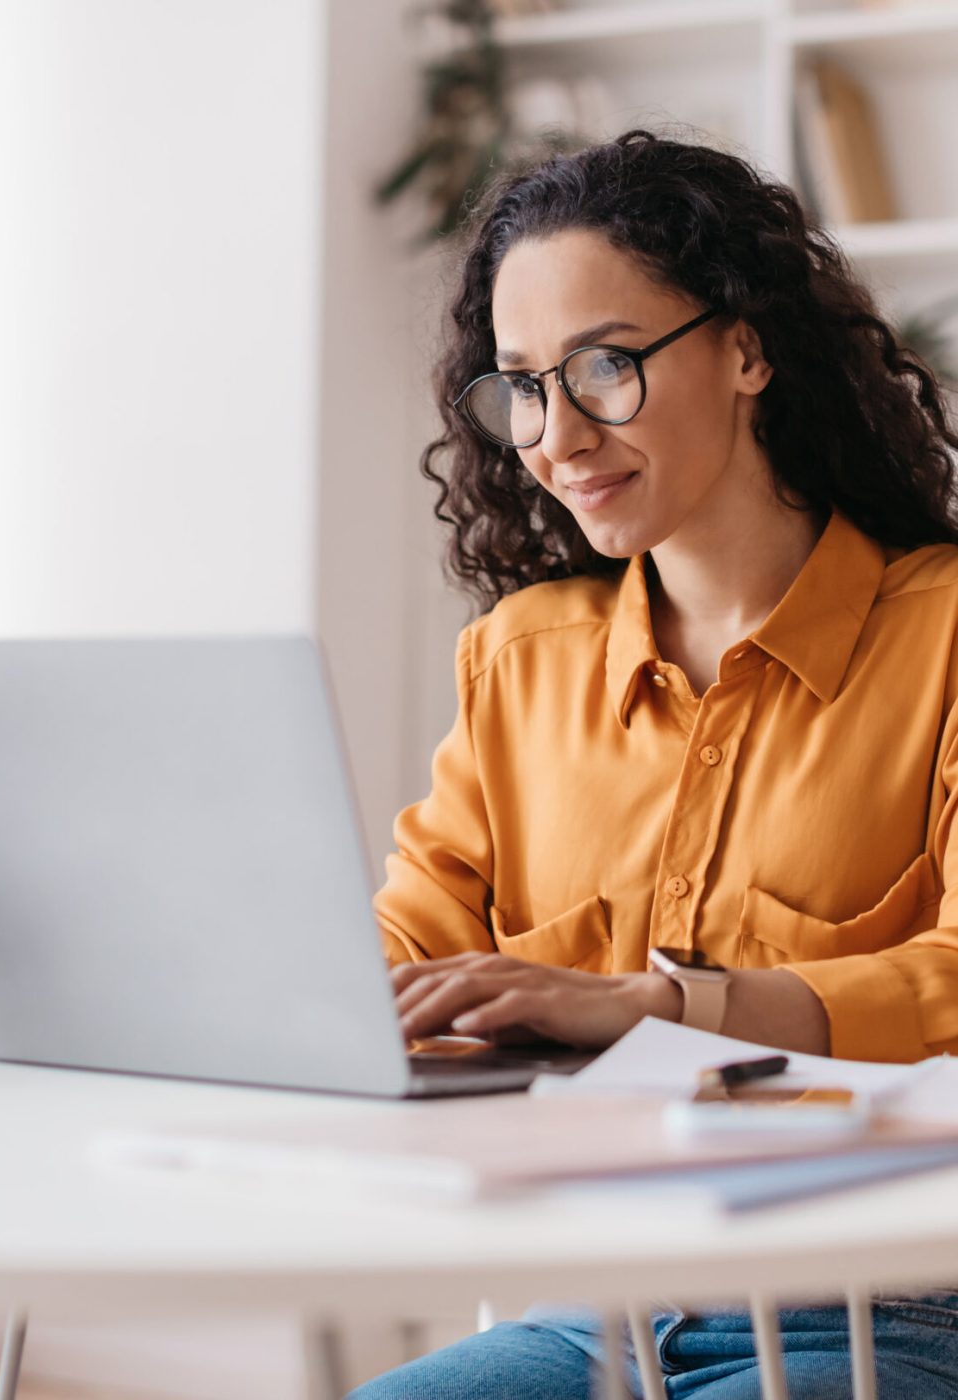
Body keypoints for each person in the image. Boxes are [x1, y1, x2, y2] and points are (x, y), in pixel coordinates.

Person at [350, 130, 958, 1398]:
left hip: (899, 1306)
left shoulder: (945, 634)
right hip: (597, 1308)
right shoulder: (521, 664)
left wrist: (672, 1007)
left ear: (746, 348)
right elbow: (404, 967)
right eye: (521, 384)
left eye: (604, 365)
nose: (556, 433)